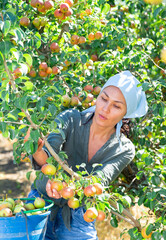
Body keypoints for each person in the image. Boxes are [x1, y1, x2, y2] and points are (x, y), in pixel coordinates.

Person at [27, 71, 148, 240]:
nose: (105, 109)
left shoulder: (124, 148)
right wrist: (38, 151)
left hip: (78, 214)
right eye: (104, 99)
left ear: (125, 114)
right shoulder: (69, 119)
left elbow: (99, 181)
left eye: (116, 106)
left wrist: (66, 187)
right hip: (40, 204)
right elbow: (47, 156)